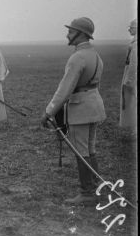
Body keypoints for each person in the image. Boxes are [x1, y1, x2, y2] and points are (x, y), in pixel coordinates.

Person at [41, 17, 106, 205]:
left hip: (80, 109)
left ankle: (87, 193)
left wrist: (49, 112)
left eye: (71, 31)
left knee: (82, 151)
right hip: (94, 106)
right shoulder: (95, 54)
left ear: (81, 34)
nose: (67, 35)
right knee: (90, 149)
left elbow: (65, 89)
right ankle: (94, 189)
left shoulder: (77, 57)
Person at [119, 18, 137, 130]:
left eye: (131, 27)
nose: (129, 29)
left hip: (133, 78)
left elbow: (133, 64)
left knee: (133, 102)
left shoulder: (135, 44)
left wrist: (129, 81)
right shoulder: (134, 43)